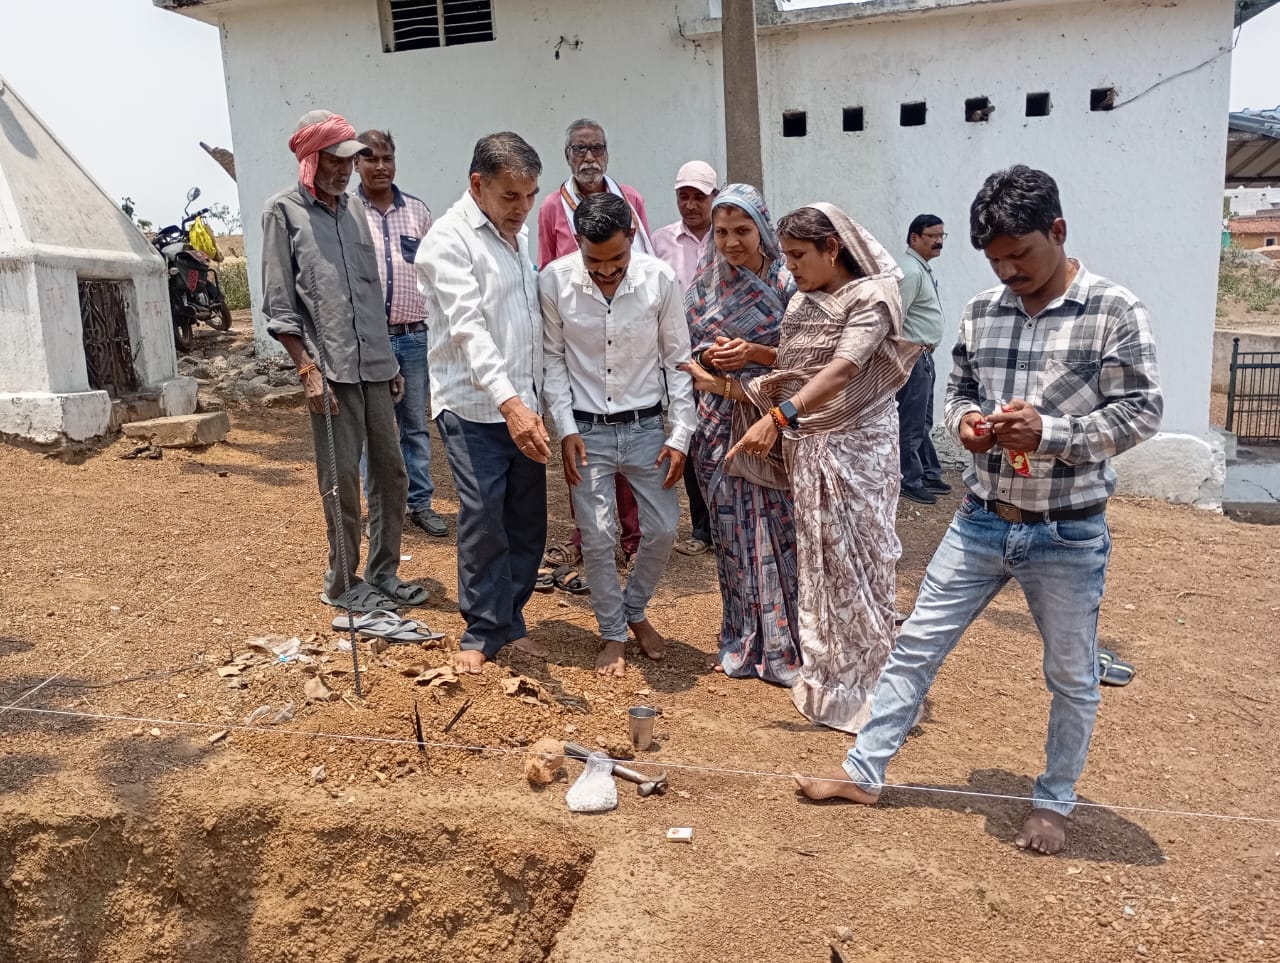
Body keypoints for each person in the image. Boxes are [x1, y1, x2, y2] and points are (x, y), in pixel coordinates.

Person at [795, 166, 1163, 857]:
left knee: (1071, 675)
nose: (1008, 271)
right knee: (915, 645)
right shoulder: (982, 312)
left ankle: (1052, 803)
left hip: (1067, 529)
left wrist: (1050, 434)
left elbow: (1143, 411)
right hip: (982, 518)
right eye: (996, 260)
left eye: (1020, 255)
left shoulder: (1114, 311)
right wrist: (965, 423)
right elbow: (959, 390)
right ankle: (863, 774)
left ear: (1058, 231)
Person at [687, 204, 918, 731]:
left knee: (861, 564)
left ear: (831, 249)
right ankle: (829, 682)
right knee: (819, 563)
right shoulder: (804, 299)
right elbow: (798, 365)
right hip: (810, 449)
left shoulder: (872, 296)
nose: (788, 267)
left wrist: (777, 417)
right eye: (786, 256)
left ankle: (873, 688)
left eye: (796, 256)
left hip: (857, 452)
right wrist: (753, 356)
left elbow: (843, 368)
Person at [261, 109, 421, 614]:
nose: (345, 171)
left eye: (349, 162)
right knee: (340, 482)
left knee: (392, 475)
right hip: (329, 371)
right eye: (334, 161)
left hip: (375, 365)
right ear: (311, 160)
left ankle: (383, 572)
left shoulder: (354, 210)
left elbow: (370, 293)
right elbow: (280, 305)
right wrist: (306, 370)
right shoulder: (283, 212)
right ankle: (342, 582)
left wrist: (390, 364)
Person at [541, 193, 695, 677]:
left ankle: (634, 609)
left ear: (631, 237)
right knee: (598, 534)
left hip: (648, 428)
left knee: (664, 528)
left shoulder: (659, 279)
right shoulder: (554, 281)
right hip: (586, 430)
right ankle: (613, 631)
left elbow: (678, 359)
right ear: (578, 243)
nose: (606, 272)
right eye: (594, 262)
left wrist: (680, 434)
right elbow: (553, 360)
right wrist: (565, 428)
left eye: (617, 261)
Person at [416, 132, 550, 674]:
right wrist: (510, 404)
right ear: (478, 184)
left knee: (526, 519)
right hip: (474, 407)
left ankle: (509, 620)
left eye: (530, 195)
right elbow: (469, 330)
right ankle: (481, 629)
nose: (522, 208)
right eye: (510, 195)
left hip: (523, 404)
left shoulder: (515, 237)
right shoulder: (447, 242)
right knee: (485, 517)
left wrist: (531, 401)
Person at [680, 184, 801, 685]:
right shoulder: (703, 286)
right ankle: (743, 637)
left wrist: (754, 354)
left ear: (762, 229)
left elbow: (808, 357)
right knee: (732, 536)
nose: (731, 242)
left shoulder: (790, 282)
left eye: (743, 230)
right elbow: (687, 348)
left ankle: (790, 641)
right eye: (722, 231)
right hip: (717, 425)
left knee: (784, 532)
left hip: (773, 424)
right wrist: (711, 355)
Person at [537, 118, 652, 572]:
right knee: (583, 443)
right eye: (579, 149)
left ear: (608, 152)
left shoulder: (631, 199)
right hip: (580, 337)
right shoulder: (552, 207)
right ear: (567, 156)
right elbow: (548, 269)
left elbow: (643, 264)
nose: (589, 157)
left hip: (624, 330)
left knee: (631, 438)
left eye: (596, 148)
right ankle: (586, 535)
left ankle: (634, 537)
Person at [354, 129, 447, 537]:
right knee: (372, 430)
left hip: (412, 337)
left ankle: (420, 503)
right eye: (370, 158)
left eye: (387, 158)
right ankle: (379, 509)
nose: (380, 166)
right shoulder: (346, 212)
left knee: (414, 426)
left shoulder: (418, 213)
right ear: (356, 163)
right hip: (367, 341)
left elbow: (435, 273)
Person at [653, 160, 719, 558]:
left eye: (699, 197)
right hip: (680, 358)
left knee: (726, 438)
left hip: (726, 356)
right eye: (684, 196)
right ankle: (702, 527)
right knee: (690, 438)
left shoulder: (727, 236)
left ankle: (729, 523)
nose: (691, 205)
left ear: (714, 196)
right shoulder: (661, 241)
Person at [896, 214, 952, 506]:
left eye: (942, 235)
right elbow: (896, 317)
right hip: (912, 355)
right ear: (914, 238)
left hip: (924, 355)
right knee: (912, 420)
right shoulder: (910, 272)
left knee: (923, 419)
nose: (939, 241)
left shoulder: (921, 269)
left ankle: (928, 472)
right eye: (932, 236)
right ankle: (909, 479)